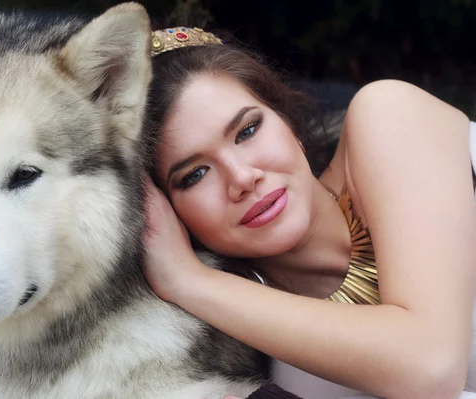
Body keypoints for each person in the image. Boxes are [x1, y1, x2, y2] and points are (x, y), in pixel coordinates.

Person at [142, 26, 476, 399]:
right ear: (170, 216)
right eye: (195, 175)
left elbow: (432, 366)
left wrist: (186, 279)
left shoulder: (387, 116)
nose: (242, 178)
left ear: (288, 122)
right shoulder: (285, 373)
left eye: (248, 130)